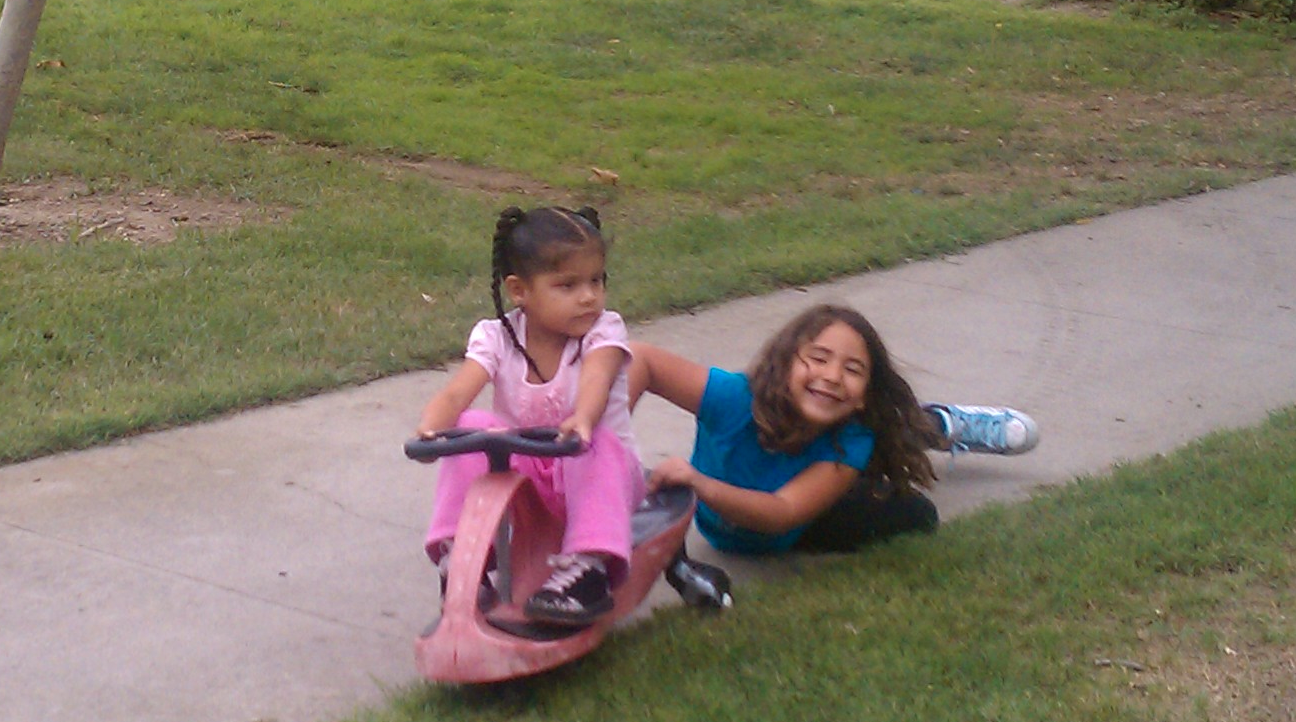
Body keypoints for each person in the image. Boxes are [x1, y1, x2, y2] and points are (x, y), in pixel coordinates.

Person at [624, 305, 1038, 558]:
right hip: (754, 516)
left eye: (853, 369)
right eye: (818, 358)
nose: (832, 375)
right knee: (872, 439)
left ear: (864, 393)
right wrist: (600, 441)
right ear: (785, 364)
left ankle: (940, 424)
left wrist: (701, 485)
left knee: (915, 512)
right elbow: (640, 360)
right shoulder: (734, 397)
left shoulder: (851, 439)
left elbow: (783, 513)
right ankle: (921, 425)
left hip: (799, 521)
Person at [414, 206, 643, 631]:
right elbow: (459, 391)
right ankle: (462, 558)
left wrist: (583, 418)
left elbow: (597, 377)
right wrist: (432, 427)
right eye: (568, 285)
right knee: (471, 425)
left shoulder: (604, 331)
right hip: (528, 482)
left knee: (597, 441)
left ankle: (587, 569)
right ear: (520, 290)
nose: (589, 296)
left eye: (596, 281)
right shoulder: (497, 336)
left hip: (600, 478)